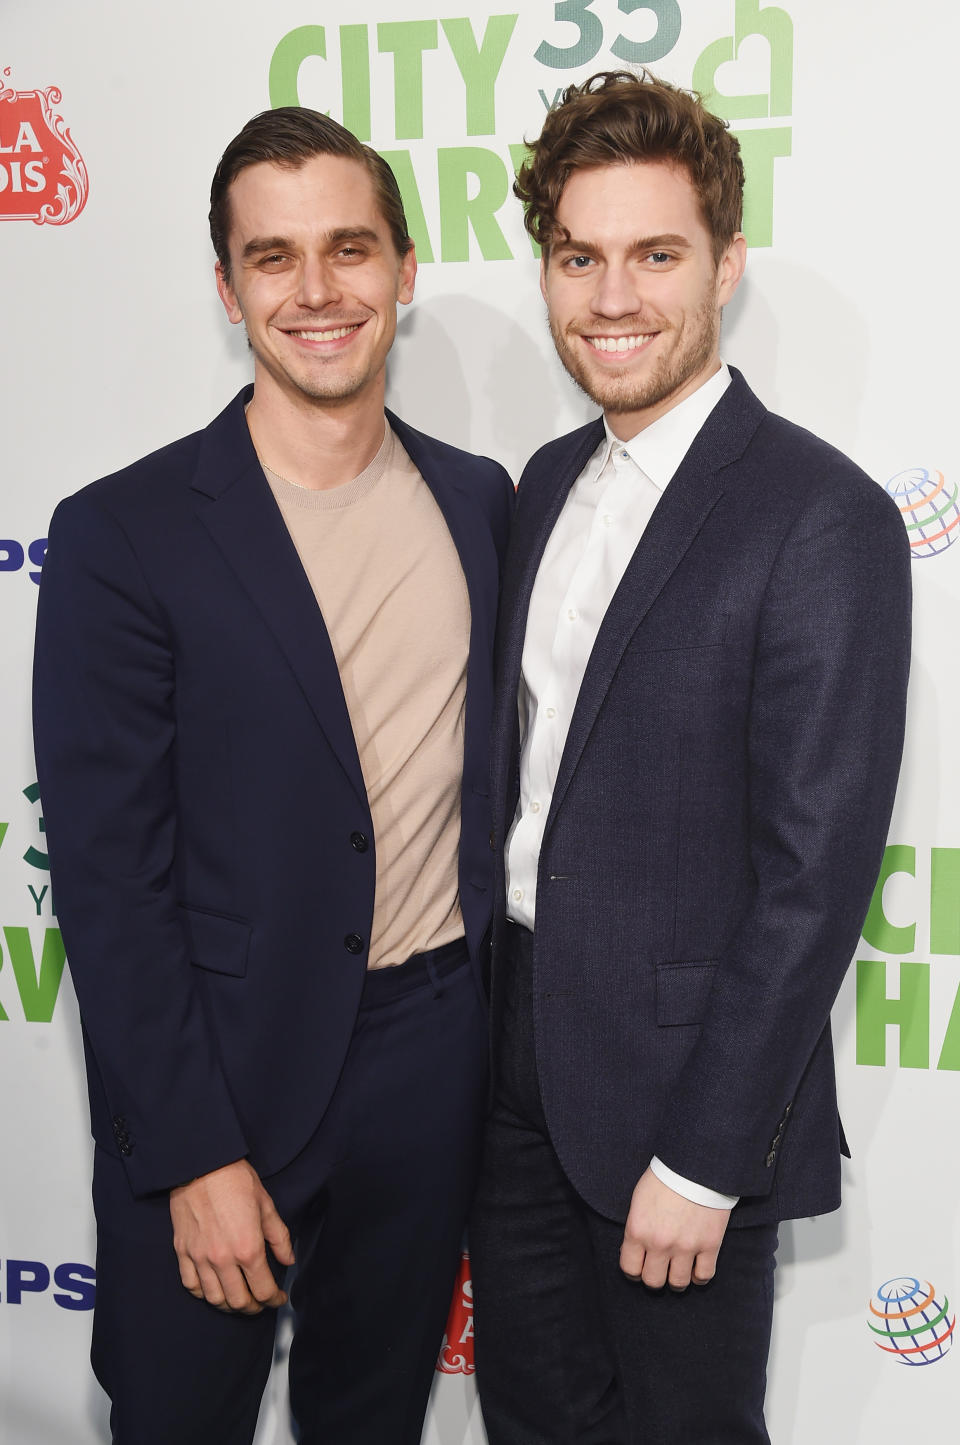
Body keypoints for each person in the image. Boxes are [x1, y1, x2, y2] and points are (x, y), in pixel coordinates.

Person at [32, 106, 513, 1445]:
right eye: (273, 257)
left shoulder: (482, 504)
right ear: (228, 285)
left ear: (405, 274)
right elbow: (110, 883)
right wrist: (190, 1147)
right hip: (214, 1075)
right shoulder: (122, 533)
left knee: (370, 1423)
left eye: (350, 249)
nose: (316, 292)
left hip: (430, 1058)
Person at [469, 70, 911, 1444]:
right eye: (579, 258)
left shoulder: (819, 514)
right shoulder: (541, 484)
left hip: (677, 1104)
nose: (612, 299)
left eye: (655, 255)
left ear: (725, 265)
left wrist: (711, 1156)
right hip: (510, 1073)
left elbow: (813, 872)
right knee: (535, 1421)